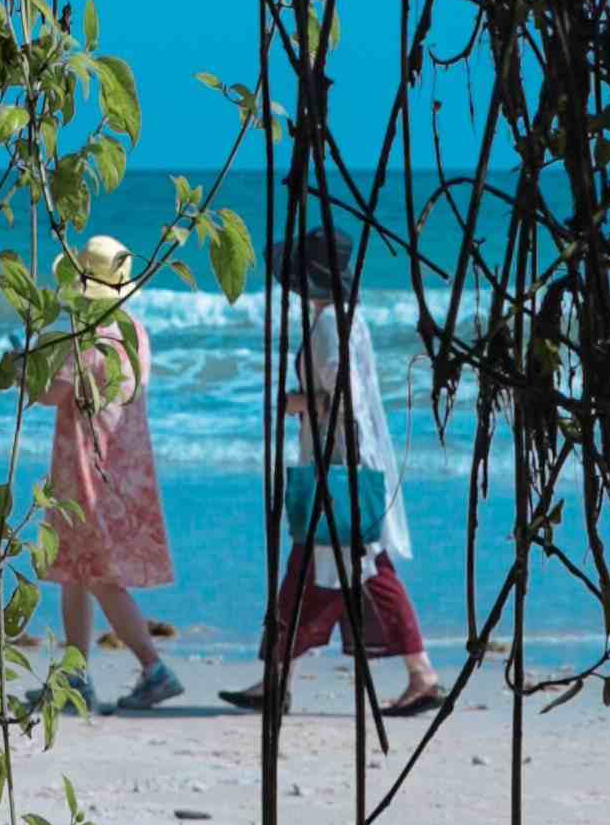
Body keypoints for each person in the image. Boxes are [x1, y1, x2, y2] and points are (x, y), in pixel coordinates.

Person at [226, 220, 442, 720]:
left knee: (342, 571)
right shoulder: (348, 318)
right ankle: (278, 679)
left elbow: (338, 397)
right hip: (345, 460)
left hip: (336, 465)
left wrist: (292, 402)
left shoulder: (328, 324)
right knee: (338, 571)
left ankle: (419, 674)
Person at [41, 228, 183, 712]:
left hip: (87, 465)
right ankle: (76, 675)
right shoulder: (135, 331)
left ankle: (153, 667)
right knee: (77, 573)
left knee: (99, 575)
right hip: (126, 464)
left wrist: (18, 367)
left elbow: (50, 393)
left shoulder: (90, 338)